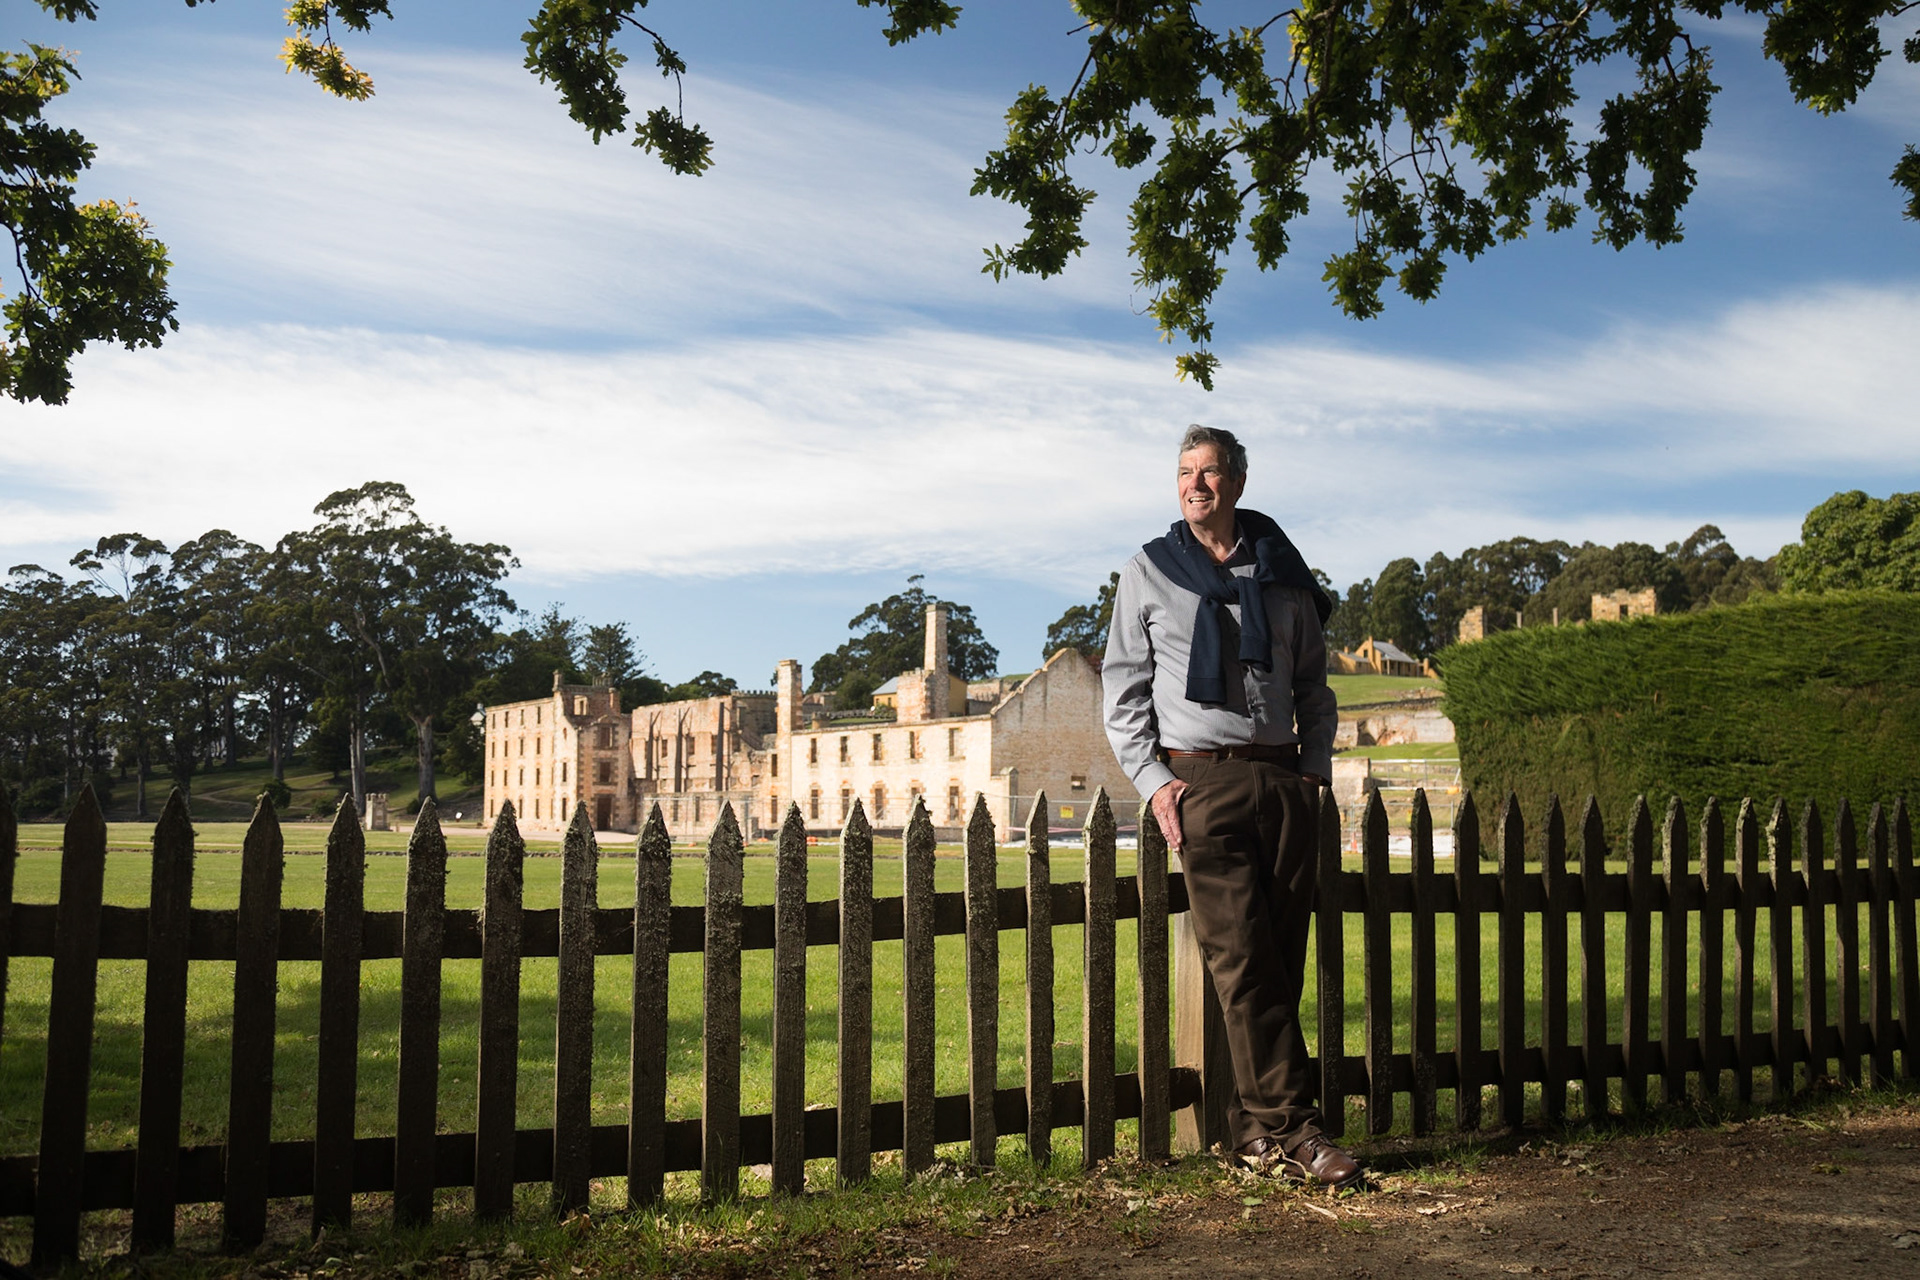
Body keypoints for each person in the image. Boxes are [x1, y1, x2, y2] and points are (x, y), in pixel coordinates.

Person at [1101, 424, 1361, 1189]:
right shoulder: (1148, 572)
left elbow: (1314, 685)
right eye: (1185, 473)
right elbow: (1122, 693)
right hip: (1201, 783)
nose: (1195, 486)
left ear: (1239, 483)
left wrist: (1312, 776)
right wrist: (1155, 785)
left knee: (1280, 960)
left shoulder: (1282, 572)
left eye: (1211, 473)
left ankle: (1251, 1132)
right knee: (1244, 960)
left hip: (1283, 783)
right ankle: (1299, 1132)